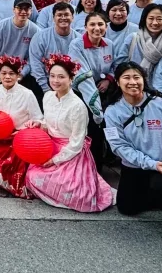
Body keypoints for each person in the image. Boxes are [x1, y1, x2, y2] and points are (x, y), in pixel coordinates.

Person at [104, 62, 162, 235]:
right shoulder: (112, 111)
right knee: (127, 208)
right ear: (118, 82)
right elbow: (119, 146)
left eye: (137, 77)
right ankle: (159, 193)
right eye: (126, 78)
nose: (132, 82)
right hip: (136, 165)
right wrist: (150, 163)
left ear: (144, 80)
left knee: (161, 188)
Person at [24, 54, 114, 212]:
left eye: (61, 77)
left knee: (75, 191)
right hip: (50, 146)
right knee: (32, 175)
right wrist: (39, 124)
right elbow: (49, 123)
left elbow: (77, 143)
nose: (55, 81)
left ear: (71, 79)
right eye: (52, 76)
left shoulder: (78, 106)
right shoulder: (47, 96)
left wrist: (55, 160)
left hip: (71, 152)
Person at [0, 56, 43, 198]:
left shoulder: (27, 94)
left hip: (19, 138)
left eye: (11, 74)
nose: (7, 77)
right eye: (4, 73)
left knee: (9, 164)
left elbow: (39, 119)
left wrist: (26, 129)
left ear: (18, 76)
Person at [68, 12, 120, 170]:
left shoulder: (109, 44)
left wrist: (108, 79)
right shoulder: (76, 44)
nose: (96, 28)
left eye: (100, 24)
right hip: (84, 94)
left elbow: (114, 66)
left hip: (105, 92)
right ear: (85, 27)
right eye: (92, 24)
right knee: (91, 131)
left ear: (106, 26)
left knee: (108, 129)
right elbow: (82, 74)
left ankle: (105, 164)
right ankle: (89, 168)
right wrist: (94, 103)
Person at [0, 0, 39, 94]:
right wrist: (1, 74)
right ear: (13, 10)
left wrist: (22, 74)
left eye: (27, 8)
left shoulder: (36, 31)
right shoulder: (0, 27)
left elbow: (33, 57)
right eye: (20, 8)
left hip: (21, 70)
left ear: (31, 11)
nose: (23, 12)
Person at [29, 2, 79, 102]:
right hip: (45, 82)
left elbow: (79, 66)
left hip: (71, 85)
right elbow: (35, 64)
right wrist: (46, 90)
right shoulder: (40, 37)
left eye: (66, 15)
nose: (63, 18)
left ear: (72, 17)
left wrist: (69, 89)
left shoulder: (79, 39)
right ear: (53, 18)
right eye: (59, 15)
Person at [124, 3, 162, 78]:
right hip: (133, 83)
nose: (155, 23)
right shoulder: (133, 38)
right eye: (151, 18)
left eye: (159, 19)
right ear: (144, 19)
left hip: (159, 87)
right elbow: (120, 64)